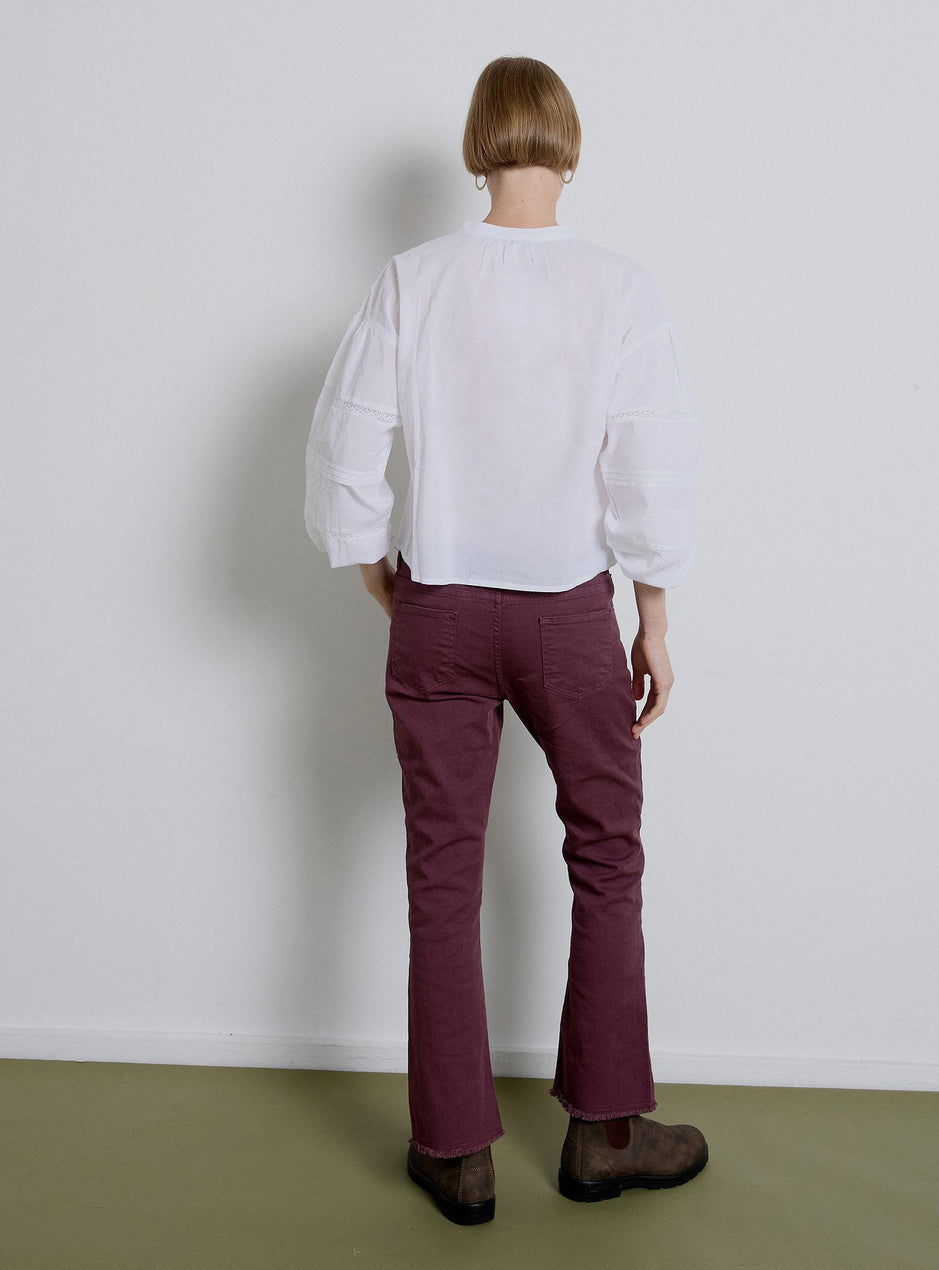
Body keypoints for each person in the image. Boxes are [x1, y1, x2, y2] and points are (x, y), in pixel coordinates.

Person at [304, 55, 708, 1226]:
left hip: (439, 606)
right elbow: (650, 466)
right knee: (606, 854)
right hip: (567, 611)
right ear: (567, 147)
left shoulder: (411, 278)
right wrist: (653, 618)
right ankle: (604, 1134)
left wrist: (377, 569)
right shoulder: (618, 287)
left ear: (475, 147)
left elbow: (345, 443)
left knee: (441, 872)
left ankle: (454, 1152)